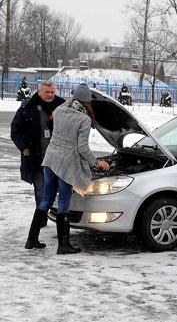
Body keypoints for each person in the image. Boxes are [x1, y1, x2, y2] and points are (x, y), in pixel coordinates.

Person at [34, 84, 110, 254]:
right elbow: (82, 148)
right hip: (66, 165)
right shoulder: (84, 119)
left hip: (51, 159)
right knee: (63, 203)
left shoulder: (60, 109)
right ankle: (63, 245)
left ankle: (32, 239)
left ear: (73, 97)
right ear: (87, 101)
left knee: (47, 199)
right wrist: (97, 163)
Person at [11, 81, 65, 235]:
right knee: (41, 191)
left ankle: (62, 220)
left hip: (60, 159)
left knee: (62, 192)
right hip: (37, 159)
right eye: (47, 92)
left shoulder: (62, 106)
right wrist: (25, 148)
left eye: (52, 92)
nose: (50, 95)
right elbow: (15, 130)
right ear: (39, 92)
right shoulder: (27, 107)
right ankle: (40, 221)